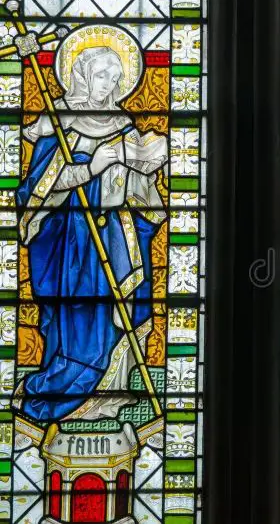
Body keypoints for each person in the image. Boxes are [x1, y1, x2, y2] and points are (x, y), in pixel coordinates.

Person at [14, 45, 167, 421]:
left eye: (115, 78)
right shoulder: (59, 122)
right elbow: (36, 189)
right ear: (82, 76)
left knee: (116, 316)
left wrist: (144, 171)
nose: (108, 85)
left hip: (114, 240)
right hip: (69, 243)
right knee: (78, 318)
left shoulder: (123, 125)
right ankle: (61, 388)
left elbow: (143, 200)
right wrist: (90, 168)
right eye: (101, 76)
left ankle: (107, 393)